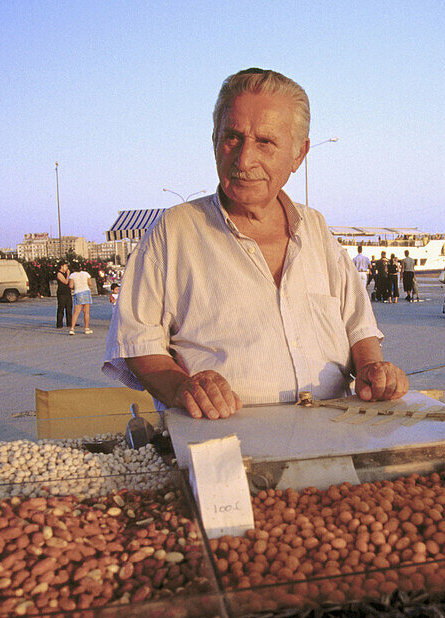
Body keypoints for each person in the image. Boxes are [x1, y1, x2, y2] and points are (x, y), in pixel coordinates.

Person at [102, 67, 408, 419]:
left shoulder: (315, 228)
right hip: (223, 442)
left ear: (298, 154)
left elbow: (359, 326)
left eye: (265, 142)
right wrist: (182, 386)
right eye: (232, 137)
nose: (244, 160)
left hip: (333, 434)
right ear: (214, 140)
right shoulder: (175, 231)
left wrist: (372, 368)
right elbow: (138, 342)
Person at [69, 266, 93, 334]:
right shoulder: (86, 274)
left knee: (76, 312)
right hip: (86, 292)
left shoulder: (72, 275)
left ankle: (72, 329)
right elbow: (90, 283)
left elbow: (70, 286)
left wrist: (75, 286)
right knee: (86, 312)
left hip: (78, 292)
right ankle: (86, 328)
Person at [55, 262, 72, 329]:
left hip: (67, 292)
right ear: (61, 266)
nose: (67, 268)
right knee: (61, 308)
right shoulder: (59, 274)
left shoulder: (66, 274)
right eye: (65, 266)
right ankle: (59, 323)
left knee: (69, 308)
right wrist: (68, 275)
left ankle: (69, 322)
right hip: (61, 293)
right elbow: (65, 282)